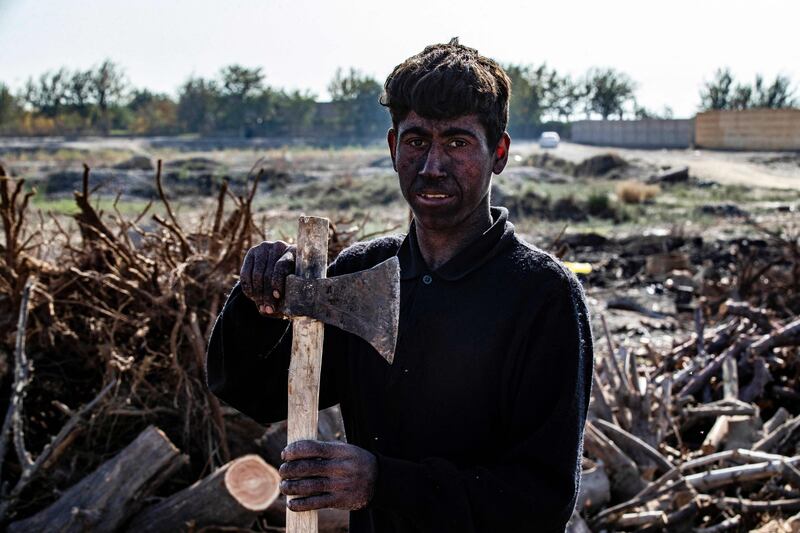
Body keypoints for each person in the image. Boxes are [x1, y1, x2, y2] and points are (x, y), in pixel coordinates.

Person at [206, 40, 593, 533]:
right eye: (416, 141)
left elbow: (543, 499)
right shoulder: (364, 270)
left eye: (457, 142)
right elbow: (250, 393)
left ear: (498, 153)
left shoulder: (542, 296)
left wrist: (383, 483)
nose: (432, 166)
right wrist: (256, 295)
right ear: (393, 149)